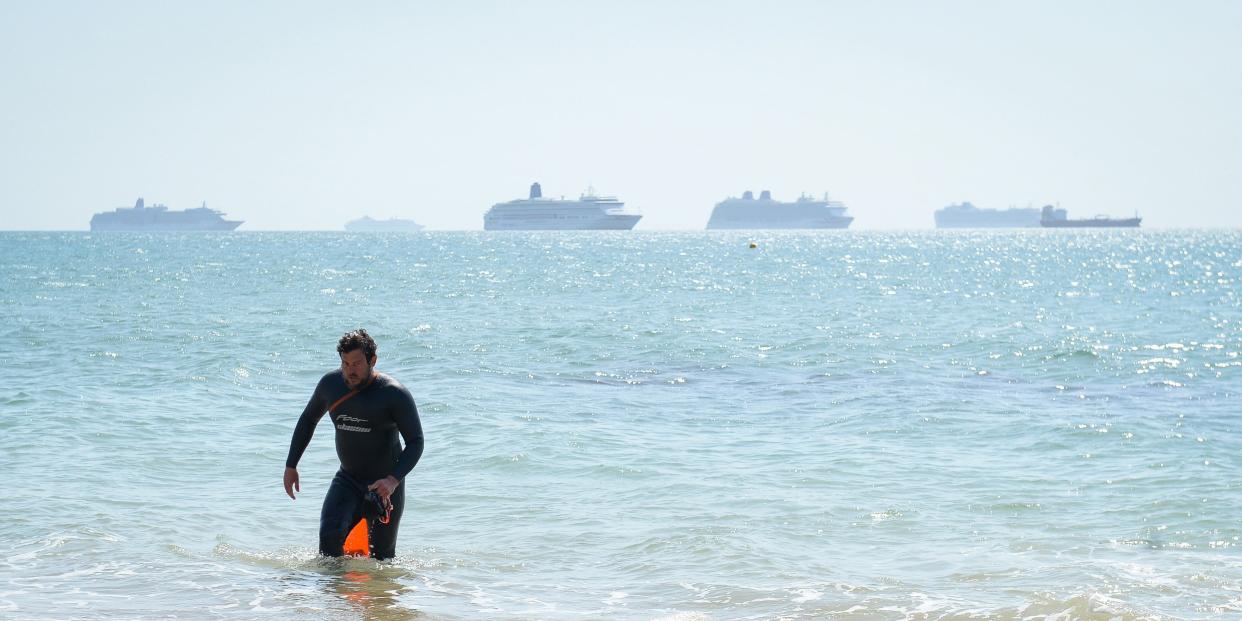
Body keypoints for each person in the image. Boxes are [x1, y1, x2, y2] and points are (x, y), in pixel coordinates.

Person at [283, 329, 424, 560]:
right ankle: (332, 596)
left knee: (382, 560)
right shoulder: (330, 386)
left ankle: (380, 597)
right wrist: (291, 465)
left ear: (372, 360)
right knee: (329, 543)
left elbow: (416, 442)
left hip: (383, 487)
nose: (350, 370)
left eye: (357, 363)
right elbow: (308, 419)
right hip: (347, 479)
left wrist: (392, 480)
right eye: (345, 363)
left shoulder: (393, 394)